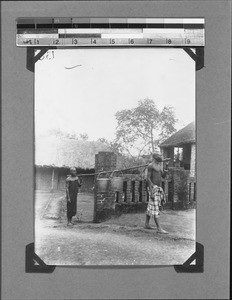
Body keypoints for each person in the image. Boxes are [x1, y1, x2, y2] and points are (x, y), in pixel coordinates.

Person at [145, 152, 170, 234]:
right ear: (155, 157)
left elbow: (163, 176)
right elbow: (148, 178)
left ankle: (146, 224)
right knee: (155, 207)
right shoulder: (150, 166)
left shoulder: (159, 165)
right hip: (153, 188)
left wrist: (166, 166)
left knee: (151, 205)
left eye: (161, 155)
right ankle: (159, 229)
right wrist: (152, 189)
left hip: (158, 187)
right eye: (159, 155)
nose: (161, 157)